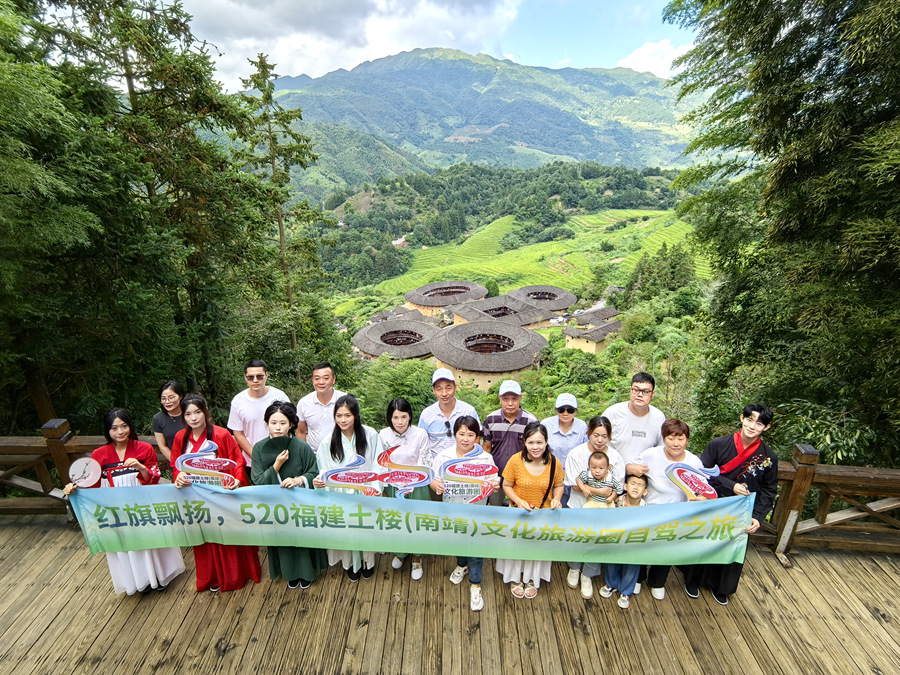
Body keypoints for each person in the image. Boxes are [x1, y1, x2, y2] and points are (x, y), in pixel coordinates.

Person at [63, 408, 185, 595]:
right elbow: (91, 484)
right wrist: (74, 488)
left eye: (124, 426)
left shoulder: (143, 448)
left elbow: (153, 478)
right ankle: (139, 579)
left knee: (149, 537)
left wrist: (140, 466)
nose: (120, 432)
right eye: (114, 428)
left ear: (130, 426)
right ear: (107, 431)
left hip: (143, 501)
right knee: (127, 541)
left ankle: (160, 576)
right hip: (114, 506)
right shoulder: (99, 454)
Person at [683, 403, 778, 606]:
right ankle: (693, 580)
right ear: (742, 418)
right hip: (712, 502)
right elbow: (701, 473)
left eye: (759, 423)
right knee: (703, 541)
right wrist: (730, 485)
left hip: (742, 510)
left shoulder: (769, 457)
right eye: (750, 419)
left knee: (732, 547)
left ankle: (722, 586)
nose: (753, 426)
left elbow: (769, 490)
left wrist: (758, 517)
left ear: (766, 428)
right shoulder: (718, 444)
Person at [172, 394, 262, 593]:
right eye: (188, 414)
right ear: (183, 417)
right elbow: (175, 464)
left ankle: (235, 575)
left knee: (227, 532)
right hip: (195, 492)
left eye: (197, 412)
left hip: (220, 491)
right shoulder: (181, 437)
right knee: (205, 536)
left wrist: (237, 479)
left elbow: (237, 461)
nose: (193, 418)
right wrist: (178, 476)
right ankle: (210, 576)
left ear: (205, 412)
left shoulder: (221, 435)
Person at [251, 400, 328, 590]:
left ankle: (307, 572)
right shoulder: (259, 448)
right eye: (273, 422)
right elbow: (257, 480)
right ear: (266, 423)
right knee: (283, 540)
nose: (278, 427)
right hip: (275, 504)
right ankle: (290, 573)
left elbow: (314, 471)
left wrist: (299, 480)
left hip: (300, 502)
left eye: (283, 423)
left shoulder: (301, 446)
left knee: (302, 538)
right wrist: (276, 466)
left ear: (292, 424)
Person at [626, 418, 706, 601]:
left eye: (681, 439)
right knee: (641, 546)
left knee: (667, 548)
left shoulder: (694, 462)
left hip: (677, 515)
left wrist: (697, 498)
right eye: (671, 438)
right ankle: (638, 578)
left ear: (687, 440)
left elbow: (703, 491)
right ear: (663, 439)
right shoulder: (651, 455)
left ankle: (658, 581)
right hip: (649, 512)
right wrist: (634, 468)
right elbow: (629, 467)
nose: (676, 443)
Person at [430, 416, 499, 612]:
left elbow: (493, 480)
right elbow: (433, 479)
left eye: (471, 434)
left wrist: (494, 485)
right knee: (457, 540)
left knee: (475, 546)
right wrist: (437, 487)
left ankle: (475, 585)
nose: (466, 439)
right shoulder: (443, 456)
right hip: (452, 509)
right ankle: (461, 564)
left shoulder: (485, 458)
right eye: (462, 434)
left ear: (477, 437)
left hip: (477, 510)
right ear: (455, 434)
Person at [312, 394, 381, 582]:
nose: (343, 420)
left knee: (365, 528)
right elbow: (324, 468)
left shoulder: (370, 434)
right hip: (340, 494)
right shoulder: (328, 442)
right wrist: (321, 481)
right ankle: (350, 563)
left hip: (365, 490)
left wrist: (374, 487)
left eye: (348, 415)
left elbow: (378, 463)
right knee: (347, 529)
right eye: (339, 415)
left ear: (356, 416)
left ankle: (368, 561)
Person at [495, 422, 564, 599]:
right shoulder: (515, 460)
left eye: (540, 442)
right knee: (517, 547)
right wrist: (518, 501)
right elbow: (507, 485)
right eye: (531, 442)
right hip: (518, 513)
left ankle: (532, 578)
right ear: (524, 442)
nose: (535, 447)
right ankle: (515, 577)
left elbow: (559, 484)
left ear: (546, 442)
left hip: (543, 514)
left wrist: (556, 499)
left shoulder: (554, 463)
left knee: (537, 548)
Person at [563, 416, 625, 598]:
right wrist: (600, 490)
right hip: (578, 506)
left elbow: (618, 486)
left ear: (610, 437)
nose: (600, 440)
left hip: (603, 511)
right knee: (576, 539)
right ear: (588, 433)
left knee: (596, 542)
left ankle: (588, 575)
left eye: (604, 436)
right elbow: (573, 484)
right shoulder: (576, 453)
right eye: (596, 435)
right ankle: (574, 568)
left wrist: (610, 494)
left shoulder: (615, 457)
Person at [379, 398, 430, 580]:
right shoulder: (383, 435)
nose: (399, 422)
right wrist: (386, 485)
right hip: (393, 485)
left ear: (410, 416)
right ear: (389, 418)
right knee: (398, 520)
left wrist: (412, 481)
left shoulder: (420, 434)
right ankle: (401, 552)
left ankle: (417, 556)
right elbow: (382, 462)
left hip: (416, 486)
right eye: (395, 417)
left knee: (416, 521)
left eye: (403, 417)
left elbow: (424, 460)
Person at [482, 380, 537, 505]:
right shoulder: (491, 420)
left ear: (521, 398)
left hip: (522, 477)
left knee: (520, 509)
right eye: (506, 399)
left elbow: (535, 452)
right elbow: (486, 449)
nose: (510, 403)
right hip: (496, 476)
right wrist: (487, 475)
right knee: (495, 509)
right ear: (500, 398)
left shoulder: (531, 421)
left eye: (514, 399)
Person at [599, 473, 649, 608]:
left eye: (640, 485)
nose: (635, 487)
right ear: (625, 486)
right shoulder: (617, 502)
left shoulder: (647, 509)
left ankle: (626, 591)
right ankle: (611, 584)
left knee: (631, 567)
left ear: (645, 491)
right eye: (632, 483)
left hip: (634, 544)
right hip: (616, 541)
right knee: (612, 563)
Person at [227, 359, 288, 468]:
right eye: (251, 377)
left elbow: (290, 426)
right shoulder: (238, 401)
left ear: (267, 375)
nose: (255, 380)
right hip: (251, 461)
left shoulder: (280, 397)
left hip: (280, 457)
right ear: (245, 377)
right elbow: (238, 433)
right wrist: (255, 455)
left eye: (260, 376)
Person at [601, 372, 666, 466]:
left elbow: (662, 449)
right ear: (630, 390)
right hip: (611, 471)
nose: (640, 395)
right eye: (636, 390)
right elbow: (597, 442)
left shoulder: (659, 417)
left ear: (653, 394)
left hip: (644, 474)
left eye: (646, 392)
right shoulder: (612, 413)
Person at [418, 368, 480, 461]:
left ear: (455, 387)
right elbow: (421, 443)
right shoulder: (426, 414)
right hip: (436, 467)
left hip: (463, 465)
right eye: (439, 389)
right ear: (434, 390)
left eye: (448, 388)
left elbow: (476, 439)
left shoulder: (468, 411)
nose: (444, 393)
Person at [540, 393, 587, 506]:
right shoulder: (546, 424)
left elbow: (585, 452)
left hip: (573, 478)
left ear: (575, 411)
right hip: (549, 476)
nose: (565, 413)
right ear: (556, 410)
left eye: (570, 410)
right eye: (561, 410)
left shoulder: (582, 426)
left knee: (569, 510)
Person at [296, 362, 347, 454]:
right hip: (314, 454)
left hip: (342, 453)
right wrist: (304, 454)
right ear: (312, 380)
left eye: (326, 378)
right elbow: (301, 432)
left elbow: (354, 428)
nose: (321, 382)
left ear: (333, 380)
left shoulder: (345, 400)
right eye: (317, 378)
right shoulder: (304, 403)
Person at [151, 380, 186, 462]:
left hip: (197, 461)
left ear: (180, 396)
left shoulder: (191, 414)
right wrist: (177, 463)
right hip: (176, 463)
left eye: (171, 398)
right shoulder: (158, 418)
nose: (167, 402)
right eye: (163, 399)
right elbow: (162, 446)